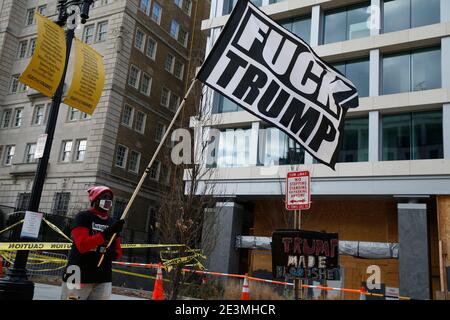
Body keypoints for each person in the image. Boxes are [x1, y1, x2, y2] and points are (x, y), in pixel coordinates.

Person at [61, 186, 125, 300]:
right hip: (77, 274)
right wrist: (105, 234)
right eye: (104, 197)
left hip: (103, 277)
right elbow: (82, 246)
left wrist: (111, 253)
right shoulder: (83, 217)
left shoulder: (112, 222)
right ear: (95, 199)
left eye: (110, 198)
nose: (107, 200)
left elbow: (118, 252)